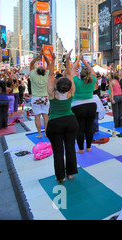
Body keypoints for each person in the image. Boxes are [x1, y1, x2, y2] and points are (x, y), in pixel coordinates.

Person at [45, 49, 79, 183]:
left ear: (56, 85)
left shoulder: (52, 93)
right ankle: (71, 174)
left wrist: (53, 60)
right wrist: (68, 60)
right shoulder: (71, 91)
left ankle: (61, 176)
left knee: (58, 151)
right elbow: (70, 73)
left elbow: (50, 74)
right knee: (70, 148)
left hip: (55, 123)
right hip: (70, 121)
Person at [71, 54, 98, 153]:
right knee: (89, 127)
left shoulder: (76, 81)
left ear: (80, 74)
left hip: (77, 107)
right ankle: (89, 147)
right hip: (91, 105)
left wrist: (78, 59)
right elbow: (92, 71)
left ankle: (81, 149)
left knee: (80, 128)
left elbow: (73, 68)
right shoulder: (92, 80)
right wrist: (84, 61)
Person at [29, 49, 51, 138]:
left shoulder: (33, 75)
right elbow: (49, 64)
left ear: (36, 71)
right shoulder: (47, 75)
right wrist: (44, 55)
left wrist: (39, 55)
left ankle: (39, 134)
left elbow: (31, 64)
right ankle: (46, 133)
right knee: (46, 116)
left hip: (35, 98)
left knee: (37, 117)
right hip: (45, 98)